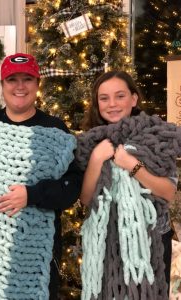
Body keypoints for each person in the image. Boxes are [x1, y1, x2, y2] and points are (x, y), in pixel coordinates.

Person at [0, 53, 83, 299]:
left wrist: (32, 194)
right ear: (2, 85)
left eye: (27, 79)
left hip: (34, 255)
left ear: (37, 84)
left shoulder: (54, 131)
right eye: (12, 79)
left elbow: (72, 187)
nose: (20, 86)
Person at [76, 70, 177, 300]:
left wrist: (131, 165)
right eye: (104, 98)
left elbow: (168, 192)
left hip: (151, 241)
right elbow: (85, 198)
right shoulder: (88, 143)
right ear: (97, 103)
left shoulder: (157, 137)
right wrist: (96, 159)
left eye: (120, 96)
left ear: (134, 98)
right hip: (105, 240)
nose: (112, 104)